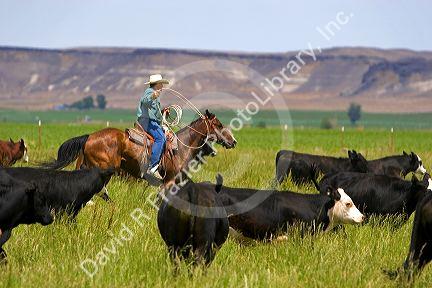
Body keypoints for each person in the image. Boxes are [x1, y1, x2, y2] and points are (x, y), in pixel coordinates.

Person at [137, 74, 169, 180]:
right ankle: (152, 166)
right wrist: (152, 96)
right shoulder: (150, 92)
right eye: (161, 84)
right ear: (157, 84)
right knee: (161, 138)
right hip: (147, 121)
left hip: (151, 121)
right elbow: (145, 101)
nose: (162, 87)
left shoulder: (156, 95)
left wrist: (163, 112)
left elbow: (156, 113)